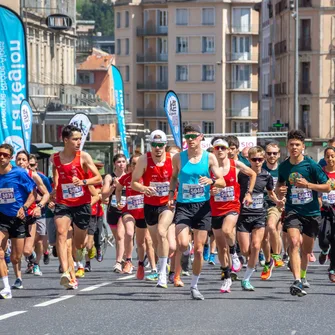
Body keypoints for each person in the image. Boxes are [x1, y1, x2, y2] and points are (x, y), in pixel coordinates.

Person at [169, 124, 226, 300]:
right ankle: (186, 253)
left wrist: (211, 180)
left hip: (202, 207)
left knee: (200, 251)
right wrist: (171, 194)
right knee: (183, 243)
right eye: (188, 137)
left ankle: (194, 285)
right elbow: (173, 177)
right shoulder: (178, 157)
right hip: (184, 206)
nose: (191, 140)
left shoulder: (209, 158)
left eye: (194, 136)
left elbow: (222, 181)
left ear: (201, 137)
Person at [276, 130, 330, 296]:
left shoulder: (311, 165)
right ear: (287, 146)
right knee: (293, 242)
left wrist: (308, 185)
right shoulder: (284, 166)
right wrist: (280, 190)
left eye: (297, 145)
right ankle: (297, 281)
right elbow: (280, 185)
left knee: (306, 250)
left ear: (302, 147)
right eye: (291, 144)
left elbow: (327, 186)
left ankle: (303, 275)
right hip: (293, 210)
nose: (294, 147)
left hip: (312, 212)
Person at [50, 125, 102, 289]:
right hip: (63, 203)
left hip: (82, 204)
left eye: (80, 138)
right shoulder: (55, 158)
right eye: (75, 139)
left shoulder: (83, 157)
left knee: (78, 245)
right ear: (66, 140)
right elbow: (55, 170)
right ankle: (66, 272)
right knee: (61, 233)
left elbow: (98, 178)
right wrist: (56, 186)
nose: (79, 142)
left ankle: (82, 253)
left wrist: (83, 182)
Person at [209, 137, 256, 293]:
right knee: (221, 248)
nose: (221, 150)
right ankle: (227, 277)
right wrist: (211, 189)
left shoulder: (235, 164)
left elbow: (252, 174)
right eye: (217, 148)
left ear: (228, 150)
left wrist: (249, 193)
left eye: (223, 148)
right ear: (213, 150)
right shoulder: (208, 167)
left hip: (232, 206)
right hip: (215, 209)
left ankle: (234, 253)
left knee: (228, 230)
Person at [237, 146, 285, 291]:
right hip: (244, 215)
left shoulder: (266, 176)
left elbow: (270, 193)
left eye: (260, 159)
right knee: (245, 250)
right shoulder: (242, 175)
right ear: (249, 160)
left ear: (263, 160)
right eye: (254, 159)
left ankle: (246, 279)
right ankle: (250, 260)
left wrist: (277, 201)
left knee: (256, 246)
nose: (257, 162)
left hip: (259, 214)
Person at [132, 130, 174, 288]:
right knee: (157, 241)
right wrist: (143, 188)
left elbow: (181, 177)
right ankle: (163, 263)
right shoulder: (144, 160)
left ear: (165, 145)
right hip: (150, 205)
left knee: (162, 233)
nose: (157, 148)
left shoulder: (172, 159)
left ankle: (162, 274)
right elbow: (133, 182)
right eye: (154, 145)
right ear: (151, 145)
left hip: (167, 204)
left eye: (161, 145)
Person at [0, 144, 36, 299]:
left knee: (16, 257)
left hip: (18, 218)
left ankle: (16, 272)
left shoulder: (20, 173)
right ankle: (6, 287)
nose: (1, 157)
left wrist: (25, 207)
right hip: (1, 217)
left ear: (10, 157)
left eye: (5, 155)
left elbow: (33, 193)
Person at [116, 153, 156, 279]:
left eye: (138, 163)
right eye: (133, 164)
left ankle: (151, 267)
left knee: (145, 241)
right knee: (128, 233)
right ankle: (128, 260)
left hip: (144, 213)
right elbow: (118, 189)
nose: (136, 166)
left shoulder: (148, 178)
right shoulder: (127, 178)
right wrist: (119, 201)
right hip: (129, 211)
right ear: (130, 165)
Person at [14, 150, 50, 285]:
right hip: (14, 216)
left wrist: (39, 206)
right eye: (19, 159)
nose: (21, 162)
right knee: (16, 253)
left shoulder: (33, 175)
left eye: (24, 159)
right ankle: (18, 279)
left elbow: (46, 194)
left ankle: (33, 257)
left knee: (27, 250)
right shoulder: (9, 175)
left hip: (30, 215)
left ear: (28, 162)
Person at [260, 142, 285, 281]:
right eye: (269, 153)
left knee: (272, 226)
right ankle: (268, 262)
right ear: (265, 154)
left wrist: (284, 196)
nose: (272, 156)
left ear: (279, 154)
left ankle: (276, 255)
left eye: (274, 153)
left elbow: (289, 186)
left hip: (276, 205)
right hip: (260, 205)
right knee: (264, 237)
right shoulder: (260, 167)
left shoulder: (282, 169)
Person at [101, 154, 127, 273]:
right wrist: (113, 187)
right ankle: (125, 258)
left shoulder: (129, 176)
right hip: (112, 211)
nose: (121, 164)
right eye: (119, 162)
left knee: (121, 236)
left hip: (126, 210)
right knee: (118, 238)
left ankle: (118, 262)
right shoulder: (109, 177)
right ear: (114, 164)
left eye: (123, 161)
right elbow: (104, 195)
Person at [28, 154, 53, 272]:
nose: (30, 167)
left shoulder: (42, 178)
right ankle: (31, 261)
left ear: (36, 165)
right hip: (26, 212)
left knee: (39, 239)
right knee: (28, 241)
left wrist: (44, 201)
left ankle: (37, 262)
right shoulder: (22, 176)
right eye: (29, 165)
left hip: (41, 212)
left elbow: (49, 194)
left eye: (32, 165)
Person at [318, 146, 335, 282]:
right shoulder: (321, 173)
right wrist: (320, 202)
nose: (330, 159)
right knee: (324, 239)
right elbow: (317, 190)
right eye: (328, 156)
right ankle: (324, 251)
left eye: (333, 156)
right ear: (324, 158)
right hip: (324, 210)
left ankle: (332, 268)